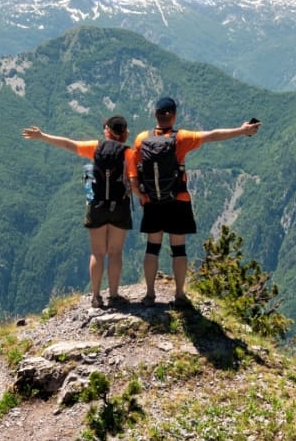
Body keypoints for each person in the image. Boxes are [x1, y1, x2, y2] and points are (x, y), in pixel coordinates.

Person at [129, 96, 260, 307]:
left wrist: (142, 196)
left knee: (152, 247)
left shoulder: (141, 139)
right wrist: (242, 130)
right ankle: (179, 294)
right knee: (178, 249)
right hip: (178, 199)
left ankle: (150, 294)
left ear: (155, 114)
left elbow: (133, 175)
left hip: (152, 202)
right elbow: (213, 135)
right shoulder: (181, 138)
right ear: (174, 115)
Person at [22, 116, 136, 309]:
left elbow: (68, 144)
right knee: (115, 253)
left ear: (107, 130)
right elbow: (133, 182)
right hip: (120, 207)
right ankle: (114, 295)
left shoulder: (96, 147)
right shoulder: (129, 154)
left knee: (97, 253)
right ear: (124, 132)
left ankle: (96, 297)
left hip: (97, 206)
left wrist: (42, 136)